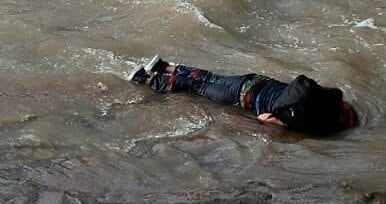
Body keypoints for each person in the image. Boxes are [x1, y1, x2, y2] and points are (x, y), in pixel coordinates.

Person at [128, 55, 358, 134]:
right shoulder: (301, 119)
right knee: (197, 88)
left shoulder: (322, 96)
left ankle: (165, 66)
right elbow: (263, 119)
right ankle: (145, 78)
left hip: (254, 80)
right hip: (242, 96)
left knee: (210, 77)